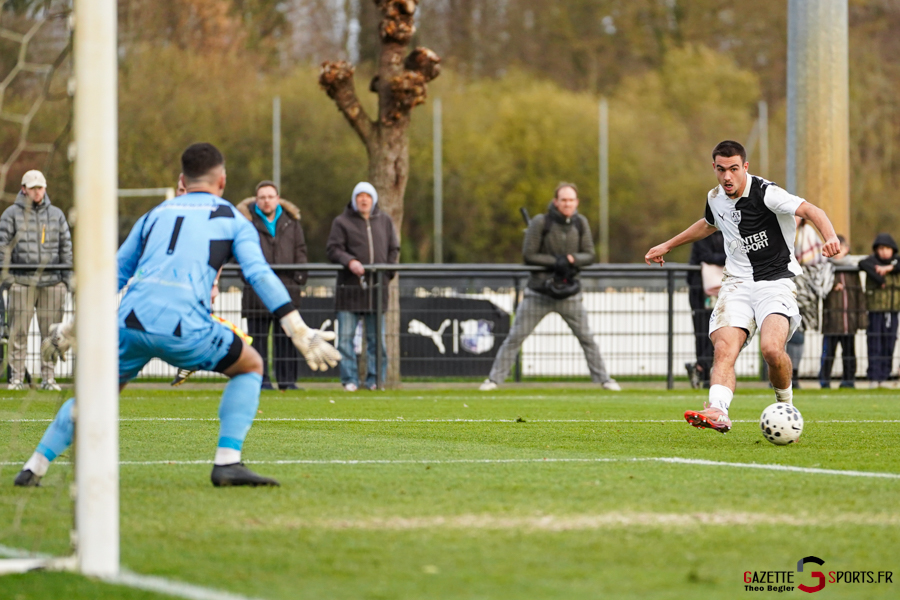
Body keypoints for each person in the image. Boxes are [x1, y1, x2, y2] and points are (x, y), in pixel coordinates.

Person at [13, 143, 339, 488]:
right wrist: (298, 329)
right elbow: (258, 274)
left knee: (94, 396)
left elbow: (112, 276)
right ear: (222, 181)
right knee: (251, 366)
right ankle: (227, 462)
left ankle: (34, 466)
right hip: (185, 328)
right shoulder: (233, 218)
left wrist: (69, 328)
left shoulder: (155, 215)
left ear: (182, 180)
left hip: (128, 324)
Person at [645, 140, 840, 433]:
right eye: (721, 170)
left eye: (734, 169)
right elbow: (709, 223)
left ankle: (785, 403)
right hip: (736, 284)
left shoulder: (767, 193)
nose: (727, 177)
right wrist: (669, 244)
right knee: (724, 348)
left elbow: (811, 210)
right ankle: (718, 411)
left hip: (775, 281)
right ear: (714, 168)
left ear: (745, 167)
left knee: (772, 351)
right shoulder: (715, 198)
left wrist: (830, 236)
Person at [480, 183, 620, 392]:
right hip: (539, 293)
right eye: (563, 200)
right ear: (556, 202)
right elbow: (529, 255)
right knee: (515, 337)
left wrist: (571, 259)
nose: (567, 203)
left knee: (587, 338)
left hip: (569, 294)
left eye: (571, 200)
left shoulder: (581, 223)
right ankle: (494, 380)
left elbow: (589, 254)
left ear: (577, 202)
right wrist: (556, 261)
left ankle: (604, 379)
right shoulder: (540, 222)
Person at [0, 170, 73, 391]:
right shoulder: (10, 214)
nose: (37, 192)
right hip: (21, 282)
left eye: (40, 187)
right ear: (24, 189)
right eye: (32, 188)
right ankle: (16, 379)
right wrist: (9, 280)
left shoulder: (57, 215)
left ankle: (48, 379)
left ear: (45, 188)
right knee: (18, 334)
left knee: (50, 336)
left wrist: (65, 281)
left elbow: (66, 248)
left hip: (52, 283)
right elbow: (3, 247)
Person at [326, 182, 399, 391]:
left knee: (377, 341)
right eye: (360, 196)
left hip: (377, 292)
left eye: (368, 196)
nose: (364, 199)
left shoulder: (385, 221)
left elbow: (394, 249)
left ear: (373, 199)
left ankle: (375, 380)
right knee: (345, 340)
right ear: (354, 199)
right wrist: (350, 261)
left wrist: (388, 273)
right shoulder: (341, 222)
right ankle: (349, 380)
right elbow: (333, 249)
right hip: (349, 291)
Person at [237, 181, 308, 390]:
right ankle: (260, 381)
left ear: (278, 199)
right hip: (256, 293)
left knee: (286, 340)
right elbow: (237, 254)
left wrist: (298, 279)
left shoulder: (292, 222)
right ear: (256, 200)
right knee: (257, 341)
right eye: (262, 197)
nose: (266, 201)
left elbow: (301, 251)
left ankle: (287, 382)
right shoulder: (245, 222)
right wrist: (250, 278)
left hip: (287, 291)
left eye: (270, 196)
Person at [819, 235, 866, 389]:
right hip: (832, 321)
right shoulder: (826, 269)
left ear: (846, 249)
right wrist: (832, 285)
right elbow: (821, 287)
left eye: (841, 248)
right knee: (828, 353)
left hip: (849, 321)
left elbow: (859, 294)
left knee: (849, 354)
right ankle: (824, 380)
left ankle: (849, 380)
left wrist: (861, 319)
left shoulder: (853, 270)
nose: (838, 252)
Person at [859, 233, 899, 387]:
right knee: (875, 343)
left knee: (889, 343)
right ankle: (874, 377)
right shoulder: (871, 262)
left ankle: (885, 375)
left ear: (893, 249)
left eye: (887, 248)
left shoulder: (896, 263)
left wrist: (890, 267)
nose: (884, 252)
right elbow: (862, 263)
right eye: (881, 248)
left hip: (893, 311)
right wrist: (879, 277)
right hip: (875, 311)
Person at [686, 230, 725, 388]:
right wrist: (728, 258)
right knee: (703, 332)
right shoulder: (702, 234)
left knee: (716, 331)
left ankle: (702, 368)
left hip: (718, 291)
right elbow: (707, 256)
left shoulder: (728, 232)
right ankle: (703, 369)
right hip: (700, 292)